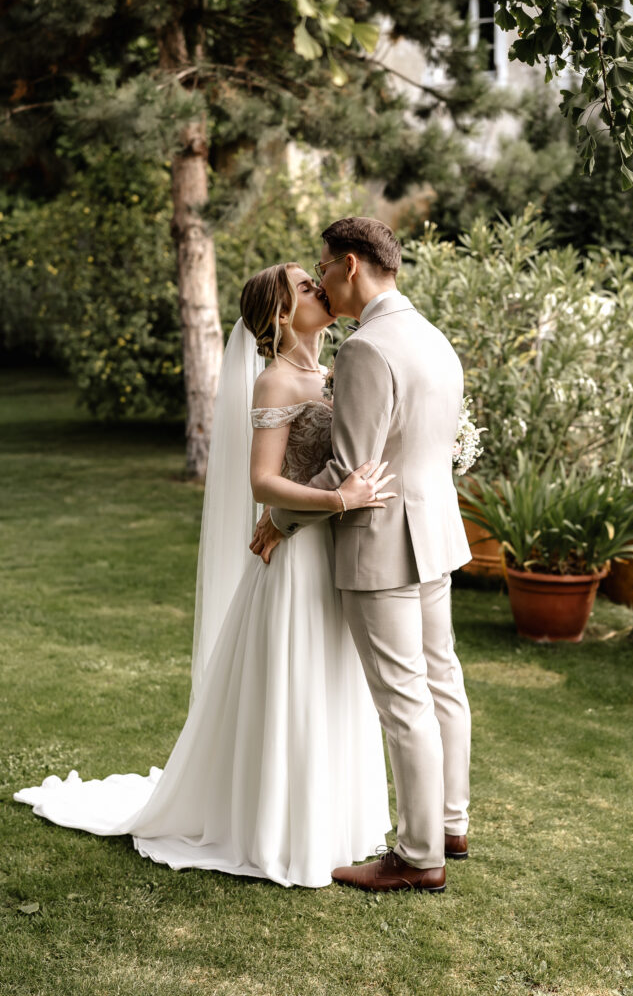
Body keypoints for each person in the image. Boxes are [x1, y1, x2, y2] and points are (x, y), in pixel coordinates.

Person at [14, 261, 394, 889]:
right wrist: (337, 501)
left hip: (326, 551)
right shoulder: (275, 381)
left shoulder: (330, 373)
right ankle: (277, 830)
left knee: (330, 677)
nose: (318, 290)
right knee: (294, 681)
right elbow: (262, 481)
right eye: (304, 287)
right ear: (279, 315)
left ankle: (334, 823)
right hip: (297, 562)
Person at [250, 218, 472, 893]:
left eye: (324, 265)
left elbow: (352, 471)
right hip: (434, 534)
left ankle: (416, 854)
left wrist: (278, 519)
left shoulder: (366, 350)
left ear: (350, 264)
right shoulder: (429, 337)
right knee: (441, 684)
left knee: (404, 699)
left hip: (383, 544)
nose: (321, 279)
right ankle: (450, 824)